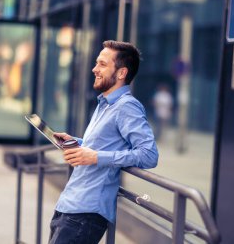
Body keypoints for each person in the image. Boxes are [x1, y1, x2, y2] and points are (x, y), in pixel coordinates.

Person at [49, 40, 159, 244]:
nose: (94, 69)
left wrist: (96, 157)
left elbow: (149, 154)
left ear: (121, 73)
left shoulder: (127, 107)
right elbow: (103, 144)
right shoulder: (104, 104)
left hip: (85, 214)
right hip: (69, 206)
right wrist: (77, 142)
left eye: (102, 64)